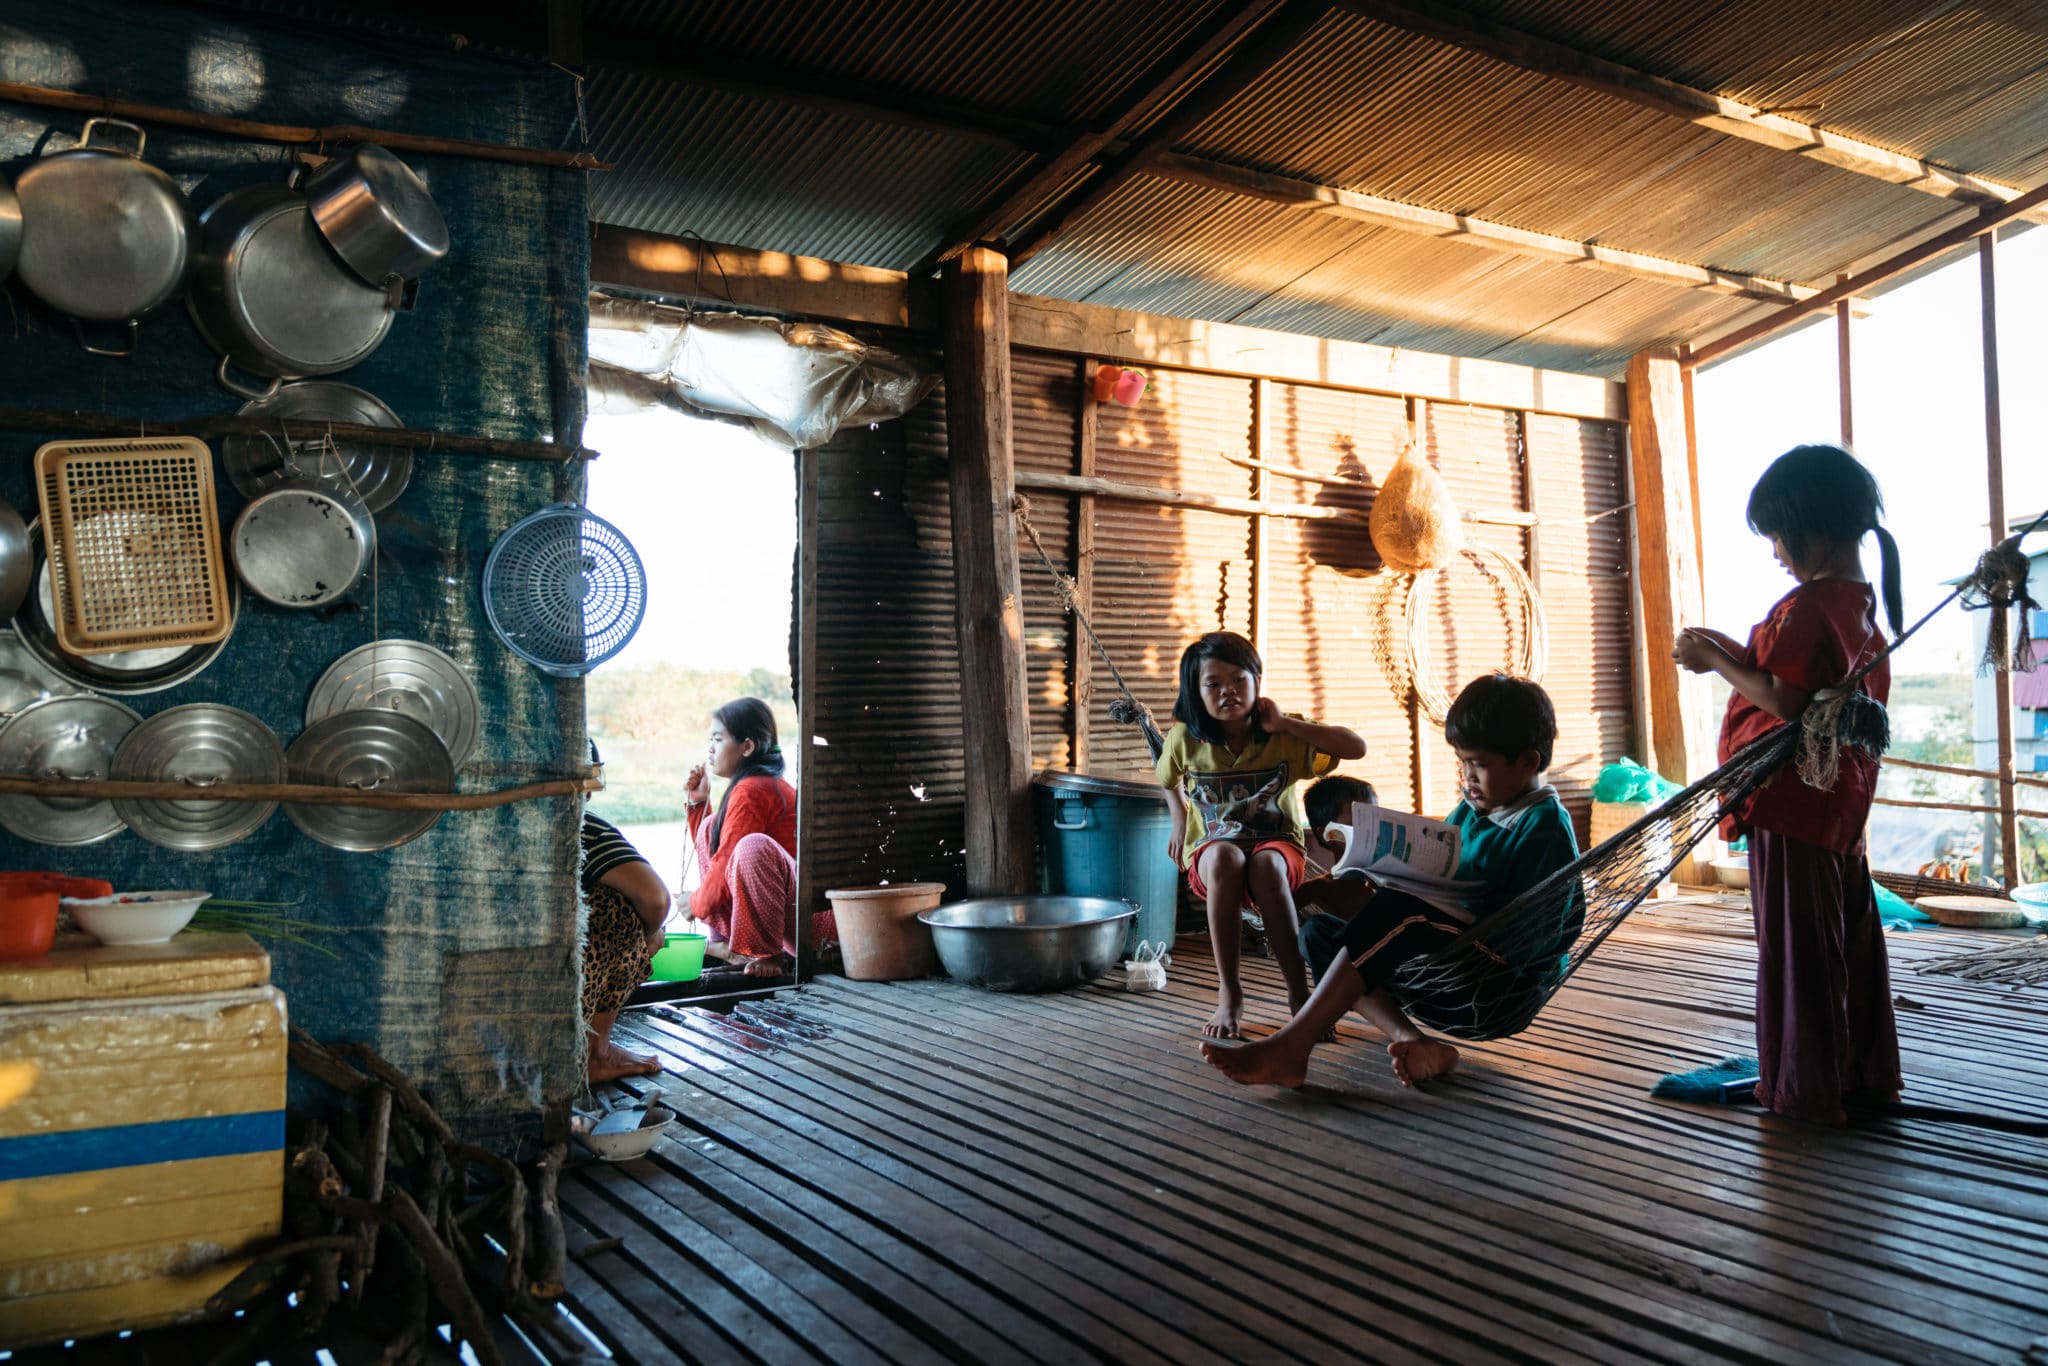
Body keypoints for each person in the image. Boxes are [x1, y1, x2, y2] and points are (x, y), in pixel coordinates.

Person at [1672, 443, 1903, 1124]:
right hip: (1837, 810)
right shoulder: (1859, 608)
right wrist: (1733, 652)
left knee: (1797, 947)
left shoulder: (1806, 608)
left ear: (1816, 529)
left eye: (1778, 534)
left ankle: (1804, 1090)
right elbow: (1799, 685)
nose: (1775, 550)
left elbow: (1788, 701)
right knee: (1846, 938)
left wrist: (1716, 660)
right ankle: (1860, 1075)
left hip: (1790, 803)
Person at [1202, 673, 1580, 1089]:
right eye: (1462, 763)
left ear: (1527, 762)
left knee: (1404, 917)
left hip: (1498, 984)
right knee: (1317, 934)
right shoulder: (1471, 810)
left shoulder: (1544, 828)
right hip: (1438, 961)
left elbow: (1551, 932)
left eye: (1480, 765)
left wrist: (1460, 914)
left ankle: (1293, 1048)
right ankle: (1413, 1040)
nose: (1467, 777)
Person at [1157, 631, 1367, 1039]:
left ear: (1257, 679)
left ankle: (1298, 994)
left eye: (1239, 679)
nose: (1228, 692)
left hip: (1278, 847)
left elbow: (1356, 748)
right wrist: (1179, 818)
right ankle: (1229, 995)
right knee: (1225, 858)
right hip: (1212, 851)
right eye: (1212, 684)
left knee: (1267, 865)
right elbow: (1167, 778)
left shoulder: (1285, 737)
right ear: (1195, 692)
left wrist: (1286, 722)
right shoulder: (1185, 739)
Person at [685, 697, 834, 978]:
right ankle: (728, 945)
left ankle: (765, 954)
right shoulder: (753, 785)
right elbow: (720, 853)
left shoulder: (753, 789)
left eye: (718, 739)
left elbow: (726, 860)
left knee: (753, 846)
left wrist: (695, 904)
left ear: (747, 747)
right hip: (792, 918)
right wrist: (698, 803)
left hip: (813, 923)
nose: (710, 749)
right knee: (711, 825)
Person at [581, 810, 672, 1084]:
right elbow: (655, 898)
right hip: (553, 983)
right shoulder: (579, 823)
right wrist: (651, 934)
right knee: (618, 909)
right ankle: (594, 1053)